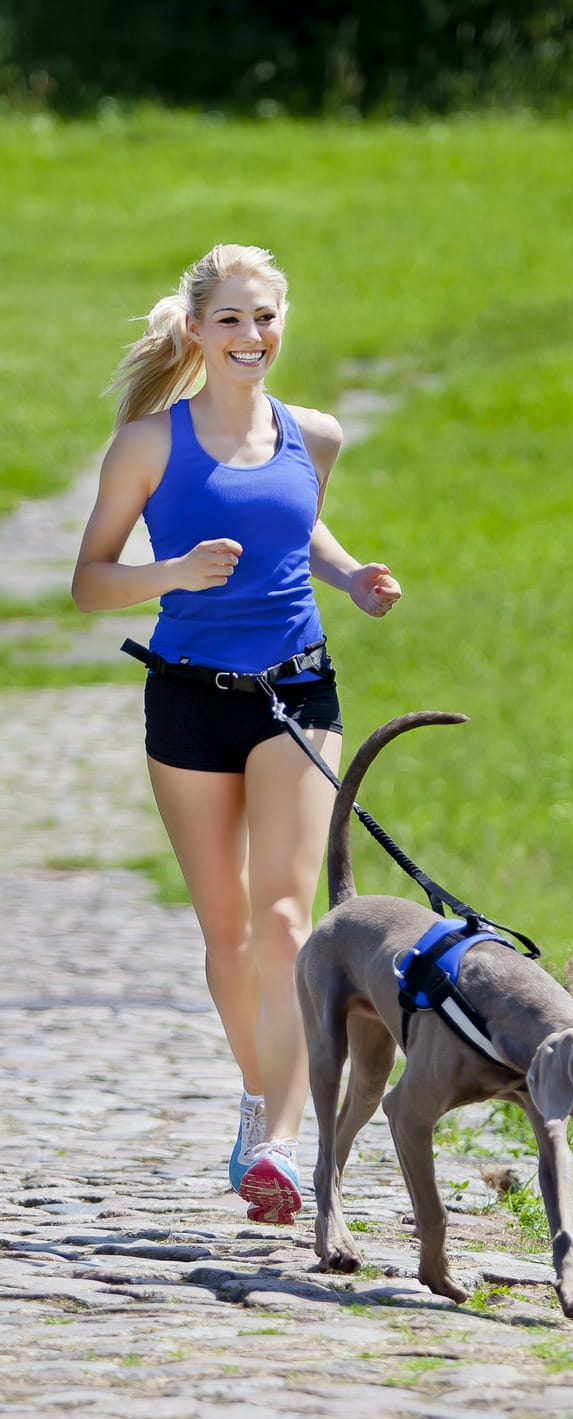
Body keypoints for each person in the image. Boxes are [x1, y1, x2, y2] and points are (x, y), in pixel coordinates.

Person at [72, 243, 401, 1226]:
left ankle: (285, 1145)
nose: (251, 337)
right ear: (195, 331)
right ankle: (260, 1093)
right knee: (225, 933)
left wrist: (349, 578)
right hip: (188, 699)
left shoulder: (316, 434)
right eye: (230, 320)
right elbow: (90, 580)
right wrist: (170, 574)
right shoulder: (147, 445)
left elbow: (295, 526)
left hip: (297, 693)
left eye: (264, 318)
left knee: (286, 920)